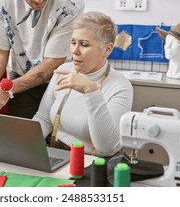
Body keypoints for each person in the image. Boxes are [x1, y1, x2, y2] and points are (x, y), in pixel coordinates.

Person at [32, 11, 133, 157]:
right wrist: (21, 144)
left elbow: (108, 148)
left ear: (107, 49)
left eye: (84, 44)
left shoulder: (120, 86)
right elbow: (44, 119)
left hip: (90, 164)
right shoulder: (63, 70)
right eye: (73, 42)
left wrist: (91, 92)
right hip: (55, 155)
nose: (74, 51)